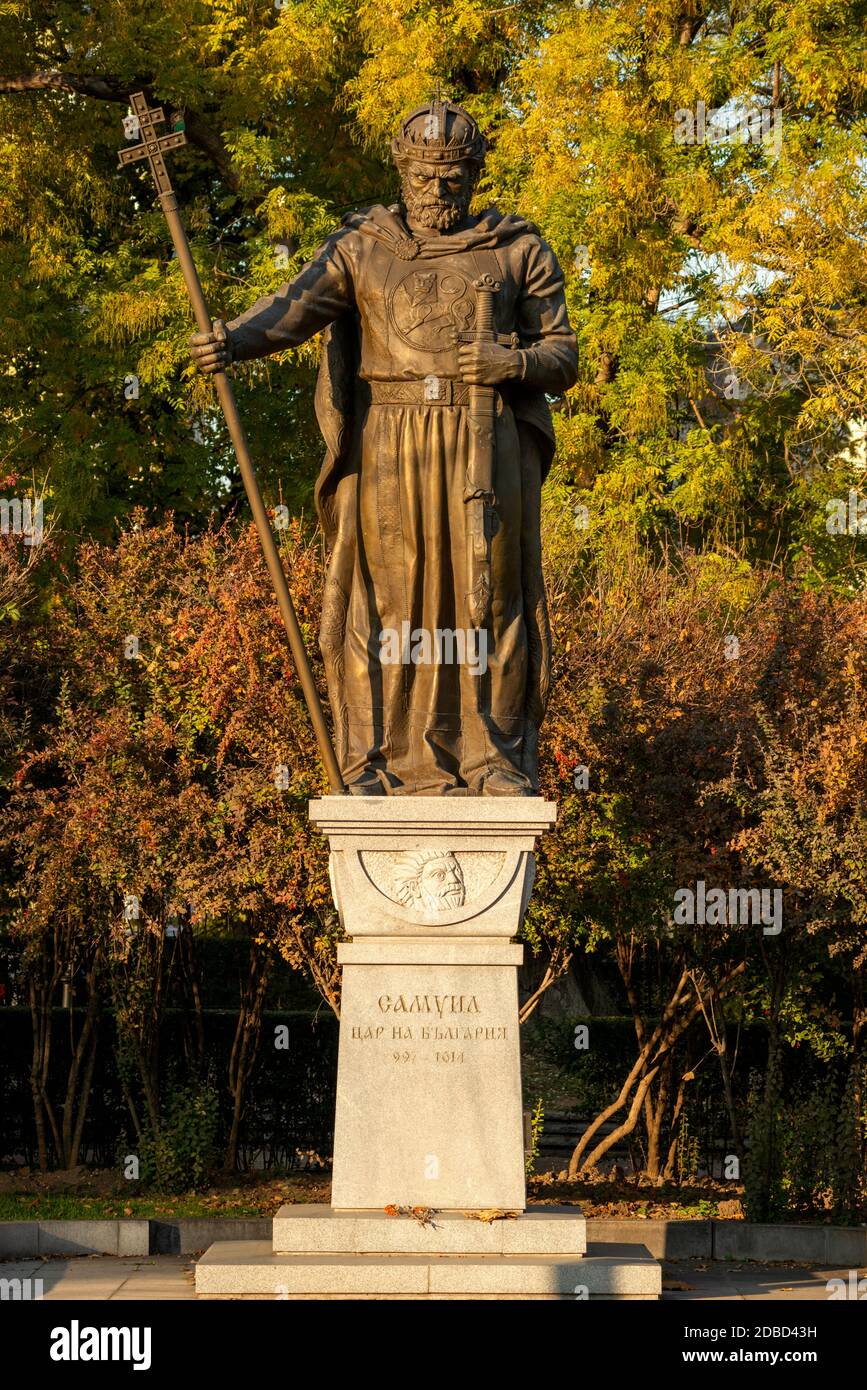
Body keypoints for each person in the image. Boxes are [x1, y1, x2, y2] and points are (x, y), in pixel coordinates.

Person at [191, 97, 577, 796]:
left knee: (485, 599)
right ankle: (371, 760)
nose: (438, 191)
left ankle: (491, 758)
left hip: (482, 439)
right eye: (426, 176)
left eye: (453, 177)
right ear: (402, 171)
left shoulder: (517, 249)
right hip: (390, 447)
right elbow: (292, 308)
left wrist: (511, 364)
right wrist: (231, 339)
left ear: (473, 173)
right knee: (386, 600)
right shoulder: (363, 247)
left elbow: (562, 354)